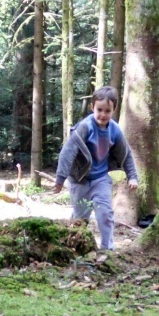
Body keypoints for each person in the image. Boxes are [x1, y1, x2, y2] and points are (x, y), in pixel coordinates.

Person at [54, 86, 138, 251]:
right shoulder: (85, 127)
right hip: (80, 180)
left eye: (107, 111)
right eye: (99, 110)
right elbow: (68, 152)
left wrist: (133, 176)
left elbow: (126, 153)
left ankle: (107, 249)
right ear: (92, 107)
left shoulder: (115, 130)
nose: (103, 115)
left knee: (105, 213)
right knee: (80, 217)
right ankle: (73, 246)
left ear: (114, 110)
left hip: (101, 179)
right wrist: (60, 179)